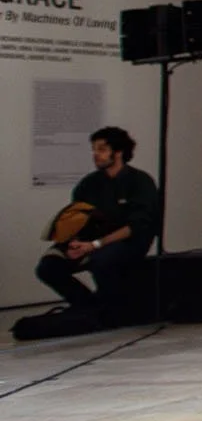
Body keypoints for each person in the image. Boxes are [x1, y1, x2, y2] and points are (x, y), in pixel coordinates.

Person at [35, 126, 161, 314]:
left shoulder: (140, 181)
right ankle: (87, 306)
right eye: (94, 149)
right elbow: (77, 219)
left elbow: (136, 226)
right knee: (48, 266)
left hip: (127, 241)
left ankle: (111, 309)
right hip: (90, 240)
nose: (96, 154)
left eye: (102, 149)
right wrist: (75, 243)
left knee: (102, 260)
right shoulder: (89, 184)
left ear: (118, 152)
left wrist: (94, 245)